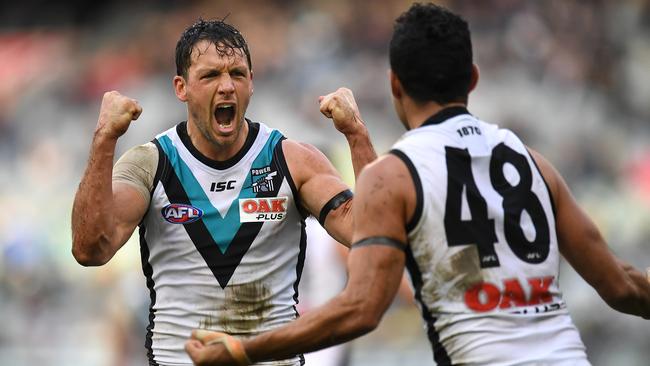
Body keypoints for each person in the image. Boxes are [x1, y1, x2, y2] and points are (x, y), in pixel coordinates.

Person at [184, 3, 650, 366]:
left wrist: (245, 351)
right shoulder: (534, 164)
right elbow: (622, 285)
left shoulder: (398, 172)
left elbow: (363, 307)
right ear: (472, 78)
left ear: (394, 85)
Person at [70, 19, 376, 366]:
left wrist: (356, 134)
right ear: (181, 87)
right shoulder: (151, 164)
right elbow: (90, 249)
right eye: (211, 75)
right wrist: (104, 138)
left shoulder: (293, 160)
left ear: (252, 83)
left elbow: (371, 232)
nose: (227, 86)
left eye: (238, 74)